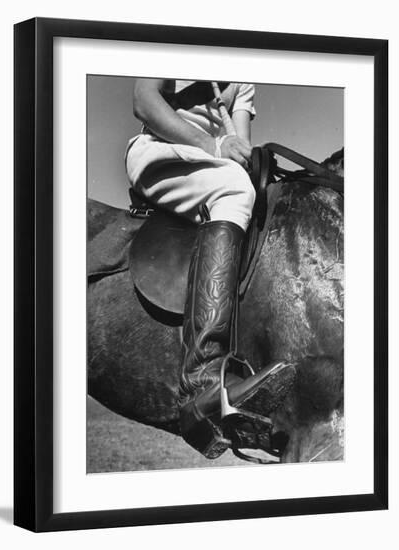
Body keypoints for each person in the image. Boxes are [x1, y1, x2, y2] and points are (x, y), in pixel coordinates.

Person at [124, 79, 295, 458]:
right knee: (236, 190)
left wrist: (242, 156)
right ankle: (202, 378)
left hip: (212, 165)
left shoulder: (244, 80)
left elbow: (239, 141)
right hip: (161, 153)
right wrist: (215, 146)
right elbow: (144, 101)